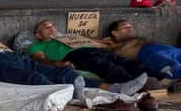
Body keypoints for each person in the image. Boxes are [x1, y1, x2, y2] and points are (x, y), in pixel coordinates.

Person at [0, 13, 150, 100]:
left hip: (9, 55)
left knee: (65, 73)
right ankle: (72, 96)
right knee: (32, 78)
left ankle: (115, 89)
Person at [24, 20, 155, 87]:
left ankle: (154, 77)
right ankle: (132, 83)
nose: (52, 27)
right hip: (74, 55)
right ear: (38, 35)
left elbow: (89, 40)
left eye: (52, 25)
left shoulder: (67, 36)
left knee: (119, 59)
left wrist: (106, 44)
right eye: (46, 27)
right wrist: (57, 63)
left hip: (92, 49)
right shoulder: (38, 45)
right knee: (101, 64)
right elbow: (39, 59)